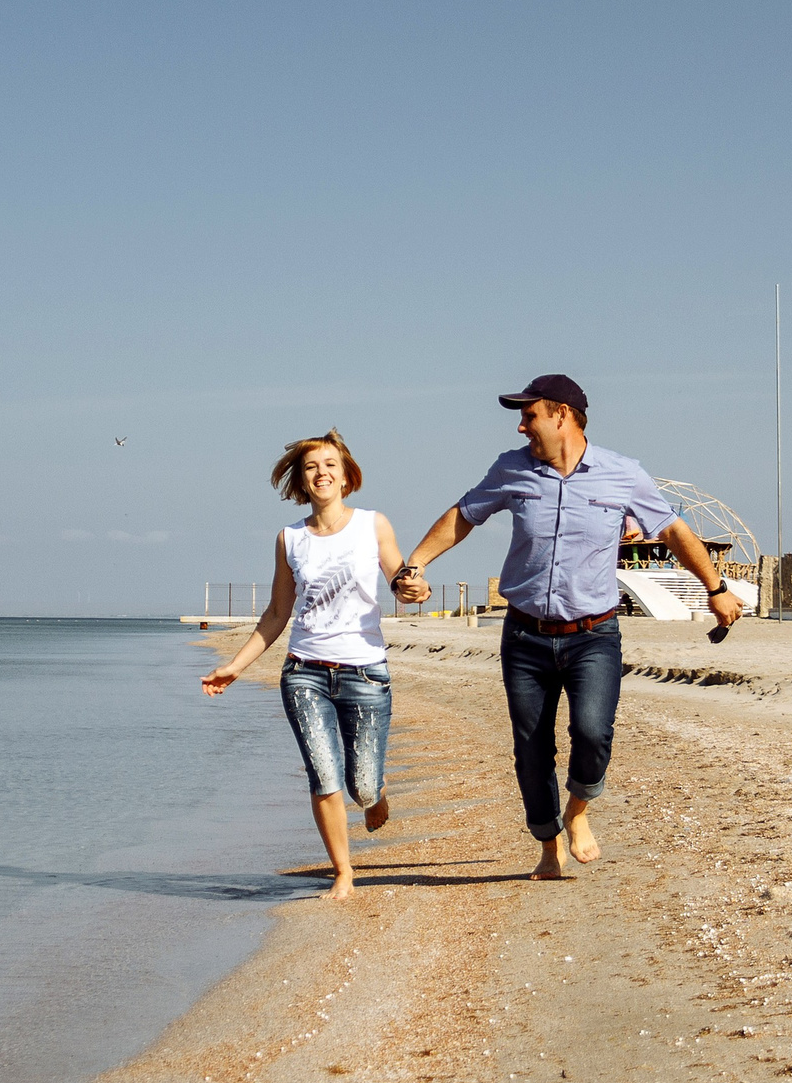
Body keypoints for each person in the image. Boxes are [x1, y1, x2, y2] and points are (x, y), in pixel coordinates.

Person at [393, 375, 741, 879]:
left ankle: (577, 813)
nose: (521, 426)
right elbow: (464, 514)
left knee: (592, 732)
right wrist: (415, 565)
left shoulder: (623, 474)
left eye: (529, 415)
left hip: (593, 636)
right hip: (525, 636)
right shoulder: (511, 468)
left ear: (561, 415)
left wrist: (715, 587)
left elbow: (672, 530)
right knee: (531, 750)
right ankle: (548, 843)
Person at [200, 430, 408, 901]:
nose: (322, 472)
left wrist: (413, 586)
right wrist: (235, 667)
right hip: (304, 673)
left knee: (362, 786)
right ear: (301, 479)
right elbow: (278, 612)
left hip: (365, 672)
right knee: (323, 773)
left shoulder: (373, 525)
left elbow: (400, 576)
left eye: (331, 464)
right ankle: (344, 872)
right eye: (312, 466)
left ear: (346, 474)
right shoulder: (290, 539)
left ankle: (376, 792)